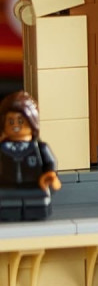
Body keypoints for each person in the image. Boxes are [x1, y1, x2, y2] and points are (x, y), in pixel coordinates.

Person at [0, 90, 61, 220]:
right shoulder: (2, 148)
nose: (16, 126)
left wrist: (50, 175)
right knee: (7, 207)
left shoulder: (39, 147)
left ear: (32, 122)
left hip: (35, 186)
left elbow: (50, 162)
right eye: (11, 122)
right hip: (6, 188)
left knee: (37, 204)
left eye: (20, 121)